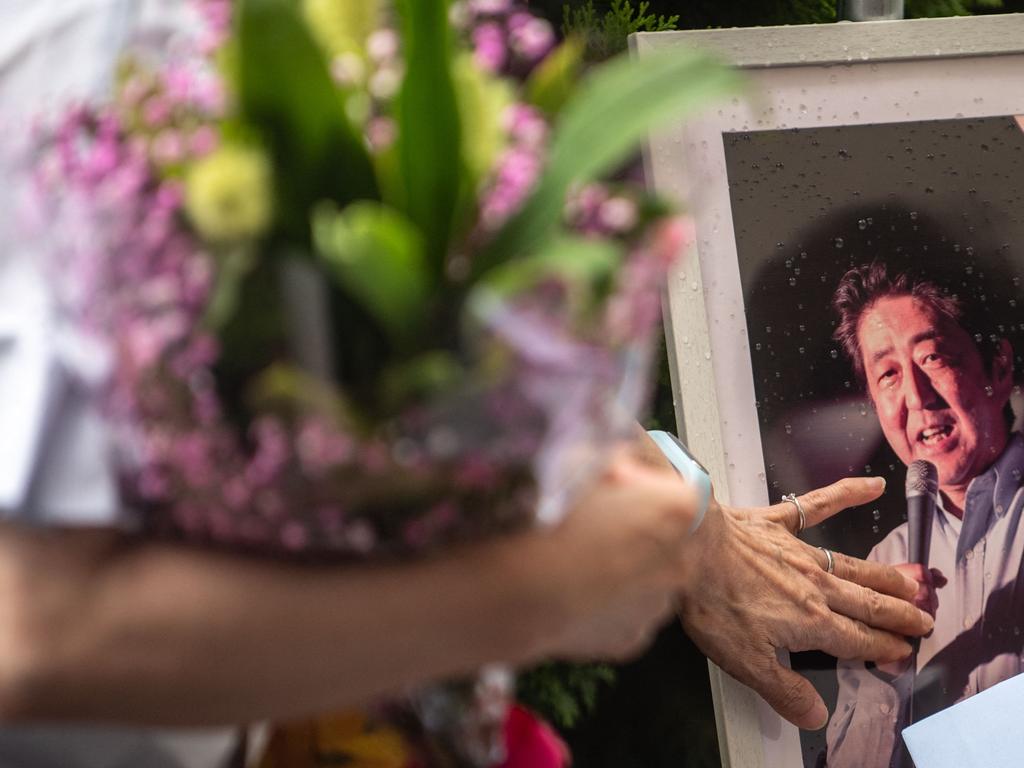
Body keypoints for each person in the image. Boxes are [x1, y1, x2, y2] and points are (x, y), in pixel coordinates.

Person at [0, 2, 931, 767]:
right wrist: (544, 587)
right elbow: (32, 629)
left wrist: (674, 503)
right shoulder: (88, 47)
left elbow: (368, 321)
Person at [826, 260, 1024, 767]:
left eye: (933, 358)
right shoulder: (881, 566)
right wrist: (886, 667)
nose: (915, 397)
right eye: (889, 374)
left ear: (998, 369)